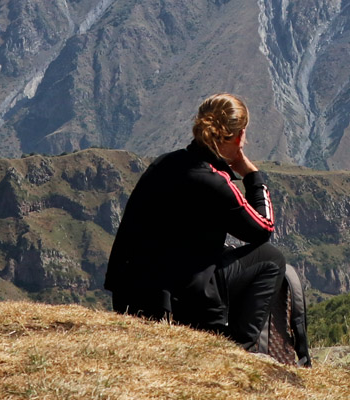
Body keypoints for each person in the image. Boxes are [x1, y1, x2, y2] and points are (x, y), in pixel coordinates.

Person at [104, 93, 299, 358]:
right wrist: (252, 175)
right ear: (239, 137)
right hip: (182, 305)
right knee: (271, 259)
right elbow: (262, 228)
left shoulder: (164, 163)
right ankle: (236, 349)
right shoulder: (213, 181)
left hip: (131, 296)